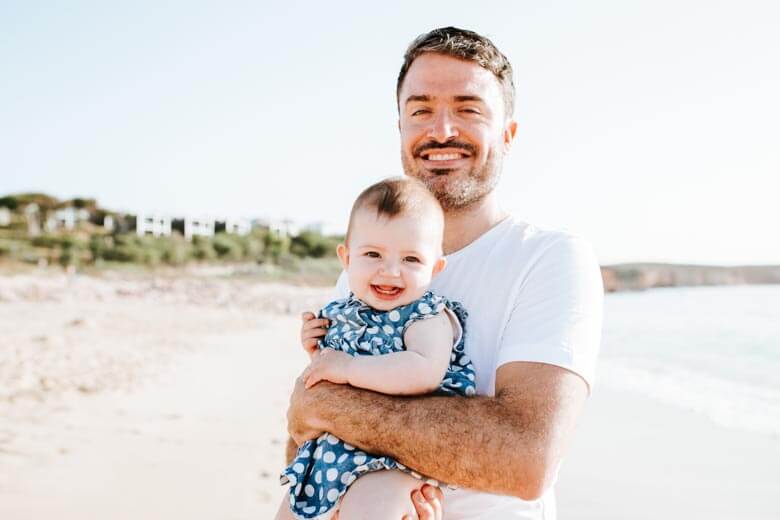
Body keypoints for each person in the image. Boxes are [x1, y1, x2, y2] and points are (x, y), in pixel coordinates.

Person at [287, 27, 604, 519]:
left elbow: (525, 458)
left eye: (468, 108)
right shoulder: (368, 262)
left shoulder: (550, 258)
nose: (441, 130)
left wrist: (335, 406)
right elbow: (301, 436)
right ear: (400, 129)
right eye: (420, 110)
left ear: (508, 134)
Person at [276, 177, 477, 520]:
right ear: (346, 258)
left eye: (412, 259)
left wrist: (348, 367)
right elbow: (332, 367)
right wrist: (317, 352)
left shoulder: (427, 315)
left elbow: (424, 371)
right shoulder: (345, 308)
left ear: (435, 267)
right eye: (373, 254)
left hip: (394, 457)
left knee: (370, 510)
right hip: (331, 451)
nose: (391, 271)